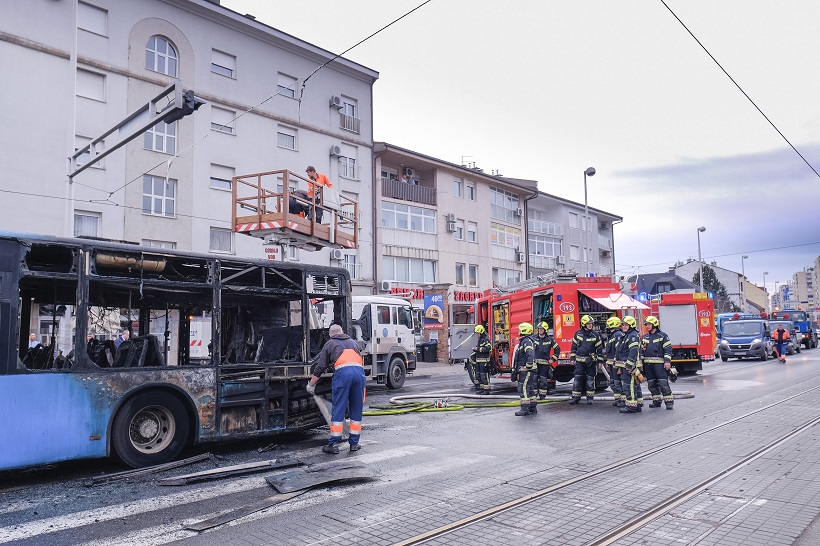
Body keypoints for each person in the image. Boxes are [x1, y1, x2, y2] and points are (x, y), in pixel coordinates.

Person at [307, 324, 365, 454]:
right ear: (342, 332)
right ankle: (354, 443)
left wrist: (311, 384)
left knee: (339, 407)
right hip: (359, 375)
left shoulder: (330, 344)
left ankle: (333, 444)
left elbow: (321, 366)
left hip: (343, 376)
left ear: (330, 334)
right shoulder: (353, 343)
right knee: (356, 408)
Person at [568, 315, 603, 405]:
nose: (590, 325)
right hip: (579, 361)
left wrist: (599, 361)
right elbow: (574, 346)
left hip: (590, 362)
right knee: (577, 380)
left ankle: (590, 398)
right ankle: (575, 398)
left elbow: (599, 349)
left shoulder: (596, 335)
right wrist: (572, 357)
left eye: (591, 324)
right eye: (588, 324)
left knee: (590, 380)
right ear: (584, 324)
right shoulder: (578, 334)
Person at [641, 316, 674, 409]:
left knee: (663, 383)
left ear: (655, 324)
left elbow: (668, 349)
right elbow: (641, 351)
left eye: (649, 324)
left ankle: (669, 402)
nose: (647, 326)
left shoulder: (663, 336)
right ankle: (656, 401)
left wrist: (667, 361)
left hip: (659, 364)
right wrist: (641, 363)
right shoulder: (645, 337)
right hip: (648, 365)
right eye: (646, 325)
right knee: (651, 384)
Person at [617, 316, 644, 414]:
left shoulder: (632, 335)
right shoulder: (628, 335)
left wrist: (629, 364)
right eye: (623, 325)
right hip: (630, 365)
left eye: (626, 325)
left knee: (629, 386)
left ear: (631, 325)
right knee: (635, 385)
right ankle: (638, 404)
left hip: (631, 366)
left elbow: (633, 351)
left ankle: (631, 406)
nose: (623, 326)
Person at [512, 322, 537, 416]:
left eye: (520, 329)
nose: (518, 331)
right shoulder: (526, 341)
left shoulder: (526, 341)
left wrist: (528, 365)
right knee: (530, 388)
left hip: (526, 370)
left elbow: (530, 353)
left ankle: (525, 408)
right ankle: (532, 407)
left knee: (523, 388)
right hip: (527, 369)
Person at [533, 322, 560, 400]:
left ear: (545, 330)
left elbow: (557, 349)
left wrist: (553, 359)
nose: (540, 330)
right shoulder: (533, 338)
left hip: (544, 364)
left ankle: (542, 396)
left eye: (542, 329)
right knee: (534, 379)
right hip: (535, 364)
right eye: (539, 329)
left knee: (543, 380)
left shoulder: (549, 340)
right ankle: (533, 396)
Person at [604, 316, 625, 407]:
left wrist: (616, 362)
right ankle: (618, 399)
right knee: (613, 382)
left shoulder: (618, 334)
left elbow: (618, 350)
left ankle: (623, 400)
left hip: (616, 364)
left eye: (608, 324)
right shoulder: (612, 335)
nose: (607, 326)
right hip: (612, 363)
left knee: (618, 382)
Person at [469, 324, 492, 394]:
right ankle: (482, 389)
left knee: (484, 375)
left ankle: (487, 390)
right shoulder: (481, 339)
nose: (477, 334)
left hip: (484, 361)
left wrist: (478, 349)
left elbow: (488, 348)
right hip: (479, 360)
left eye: (478, 333)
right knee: (479, 375)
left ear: (481, 332)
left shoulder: (485, 339)